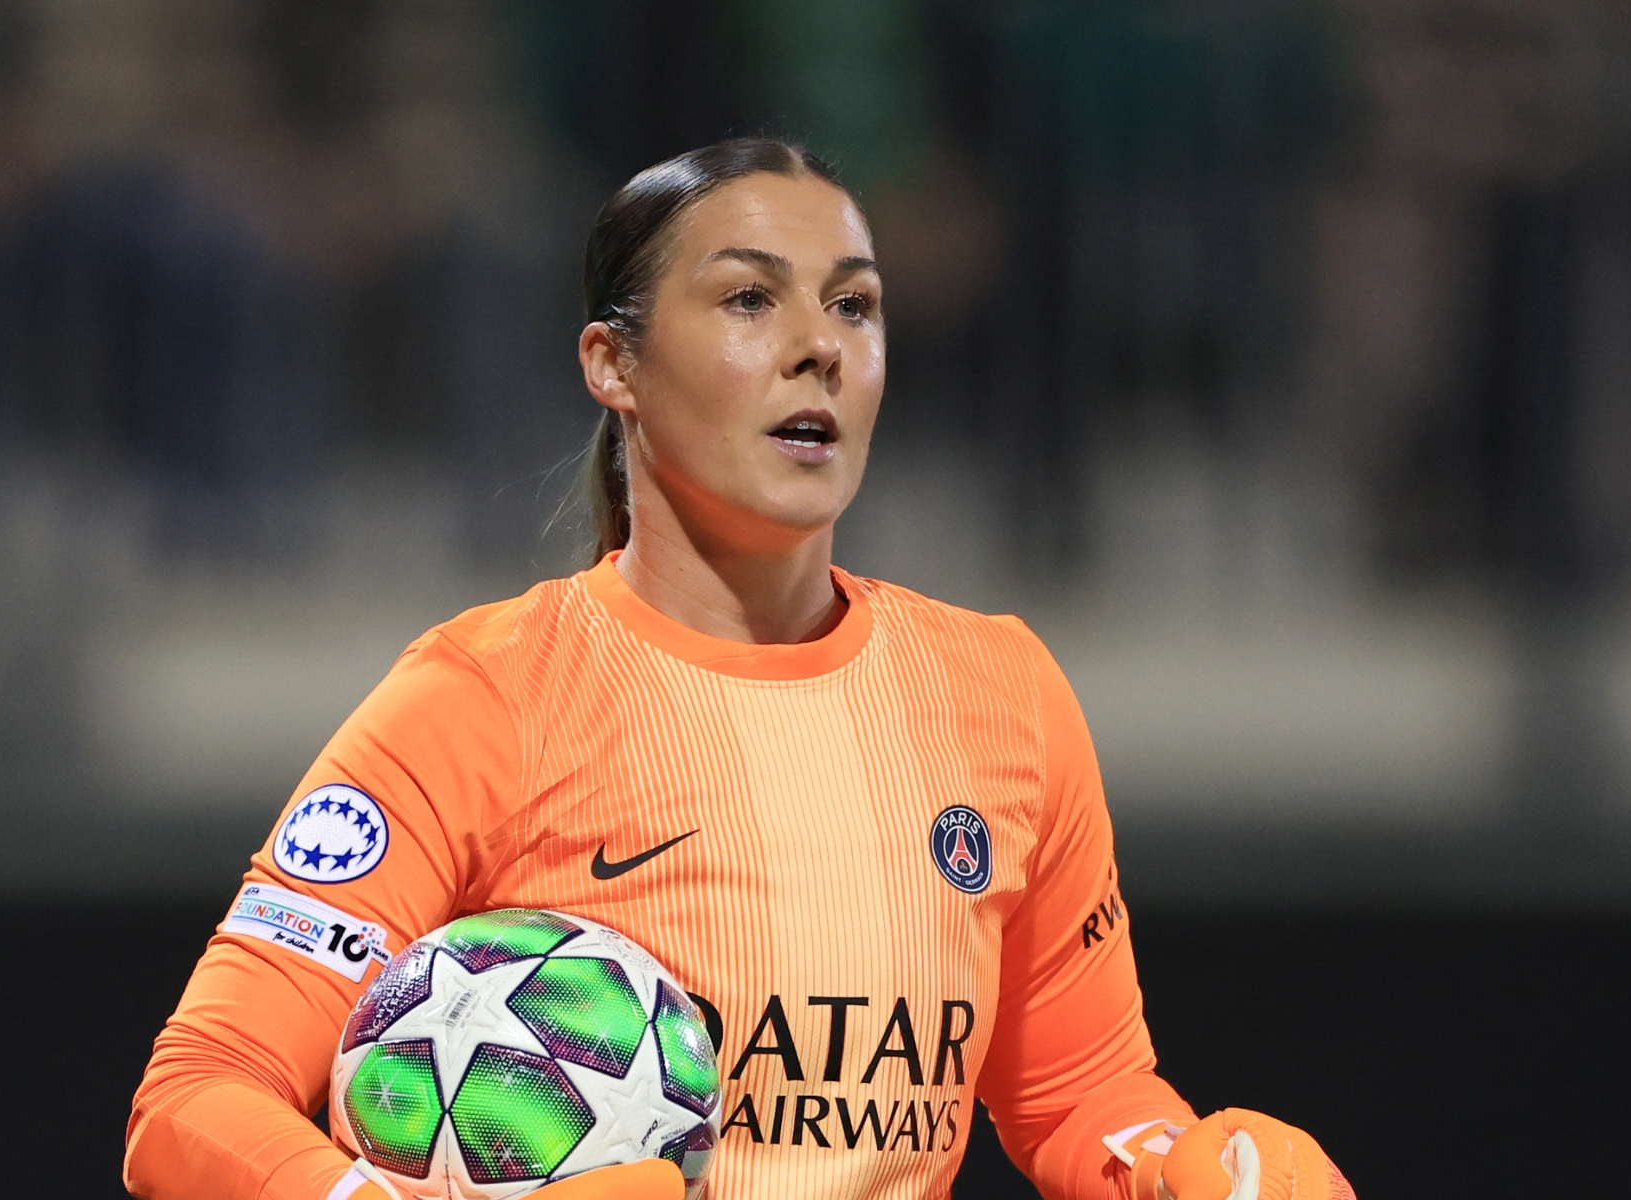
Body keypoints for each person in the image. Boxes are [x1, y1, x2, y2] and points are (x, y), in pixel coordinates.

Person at [125, 137, 1354, 1200]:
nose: (819, 348)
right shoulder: (484, 696)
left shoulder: (1002, 694)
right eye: (750, 301)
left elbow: (1078, 1095)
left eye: (856, 306)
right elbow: (193, 1101)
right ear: (613, 365)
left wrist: (1188, 1166)